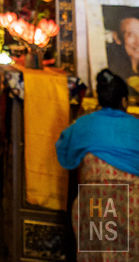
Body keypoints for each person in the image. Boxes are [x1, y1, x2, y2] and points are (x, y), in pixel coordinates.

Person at [56, 69, 139, 261]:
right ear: (124, 101)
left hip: (95, 207)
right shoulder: (136, 126)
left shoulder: (82, 124)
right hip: (132, 211)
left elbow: (64, 153)